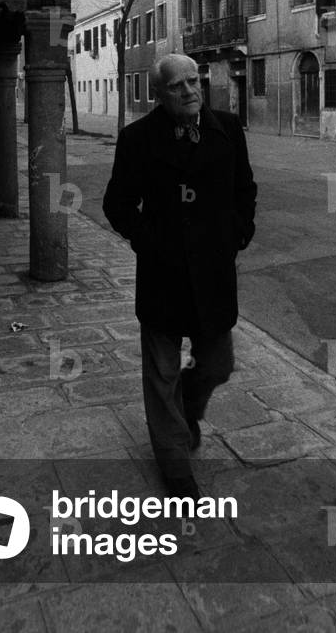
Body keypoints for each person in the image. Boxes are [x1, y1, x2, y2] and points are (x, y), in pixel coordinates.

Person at [103, 53, 257, 499]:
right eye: (177, 86)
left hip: (213, 274)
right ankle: (174, 464)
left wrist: (239, 234)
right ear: (159, 93)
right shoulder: (137, 139)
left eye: (194, 81)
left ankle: (187, 408)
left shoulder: (227, 129)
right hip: (164, 276)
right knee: (161, 374)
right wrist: (149, 242)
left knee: (217, 365)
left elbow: (244, 189)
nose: (190, 90)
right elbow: (117, 204)